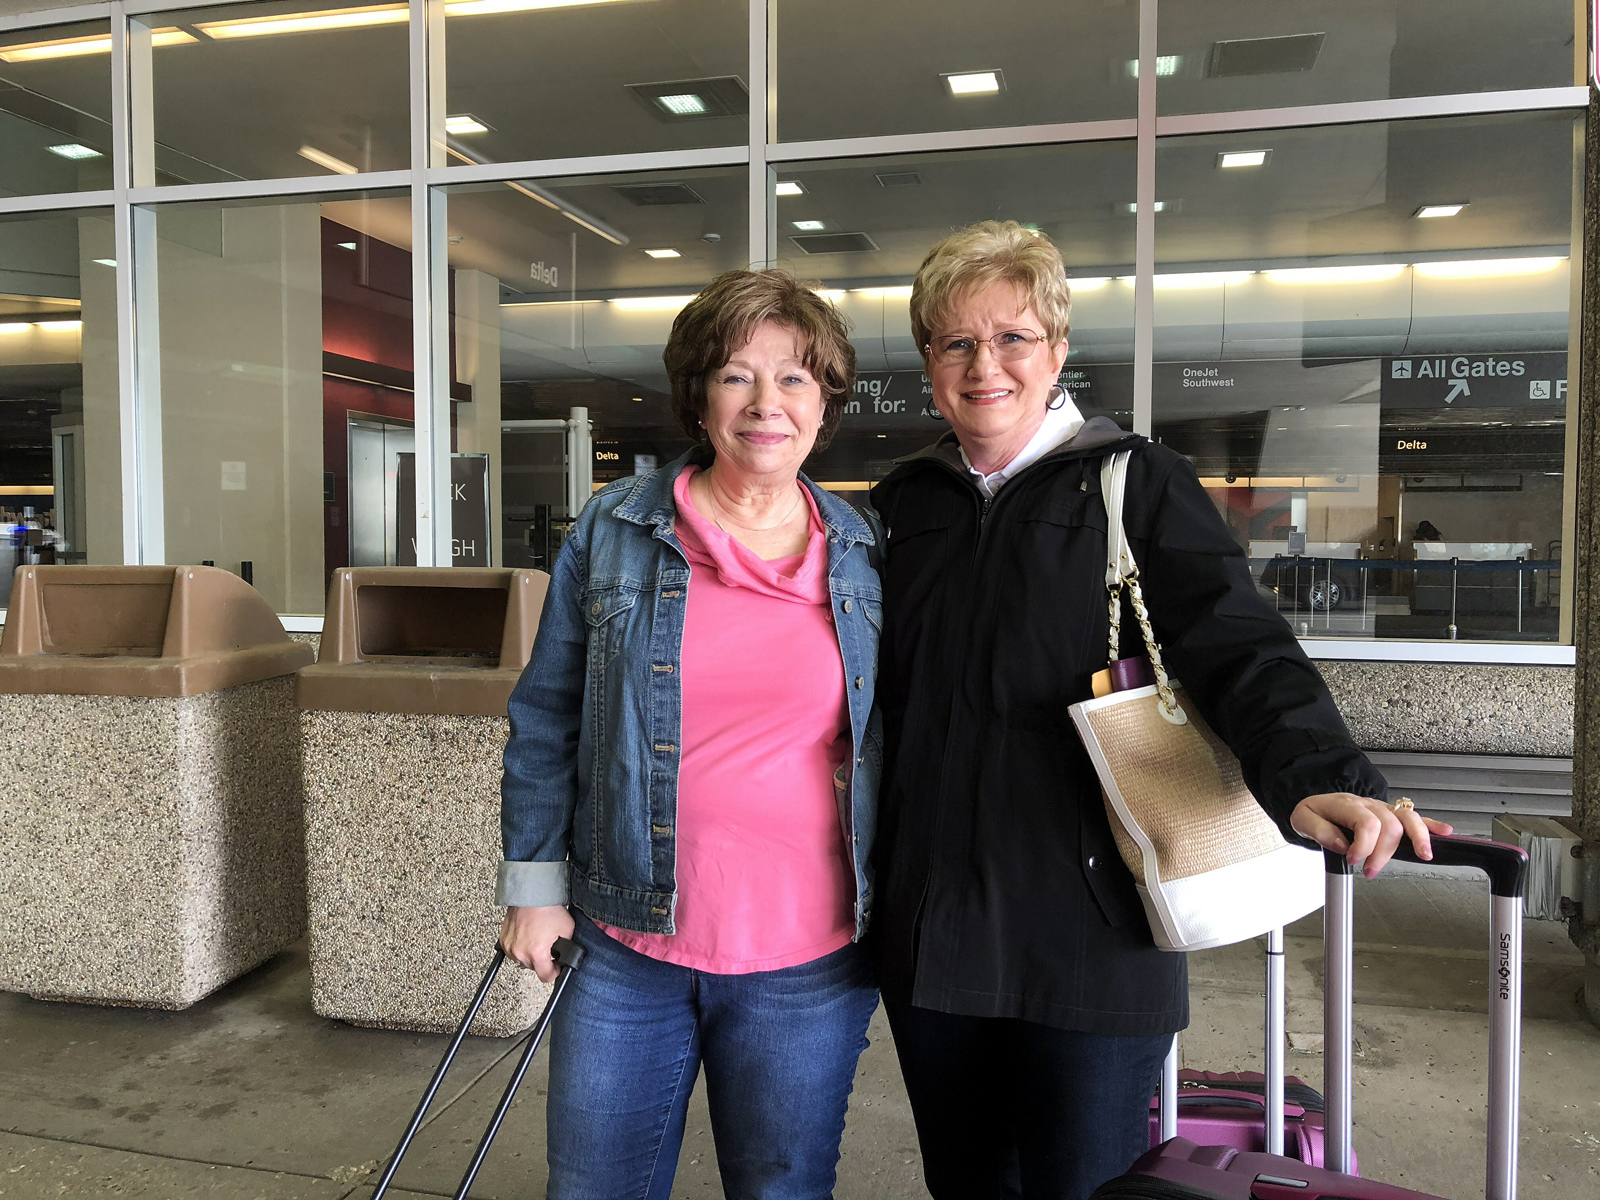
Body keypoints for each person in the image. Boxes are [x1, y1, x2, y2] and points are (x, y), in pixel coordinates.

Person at [868, 221, 1451, 1200]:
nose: (985, 366)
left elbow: (1239, 645)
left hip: (1097, 921)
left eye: (1011, 337)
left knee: (1088, 1188)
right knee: (965, 1187)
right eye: (955, 342)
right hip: (937, 923)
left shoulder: (1134, 484)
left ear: (1056, 349)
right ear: (928, 358)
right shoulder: (903, 506)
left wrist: (1322, 778)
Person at [496, 269, 883, 1200]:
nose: (766, 404)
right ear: (700, 395)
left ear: (824, 400)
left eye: (794, 378)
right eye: (737, 375)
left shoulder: (868, 553)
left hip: (811, 959)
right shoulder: (616, 530)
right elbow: (546, 716)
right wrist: (535, 888)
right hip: (628, 944)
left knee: (782, 1192)